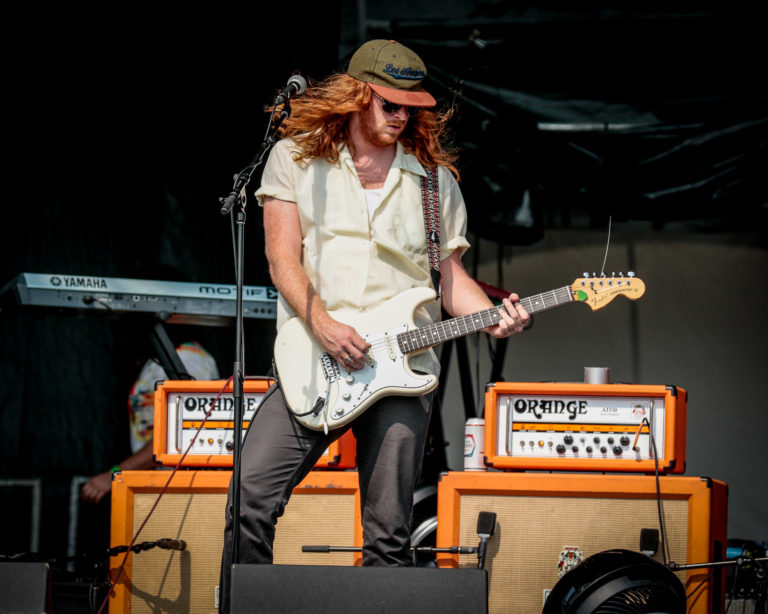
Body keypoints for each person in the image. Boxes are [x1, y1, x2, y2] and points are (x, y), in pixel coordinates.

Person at [218, 39, 529, 610]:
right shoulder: (295, 159)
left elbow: (450, 279)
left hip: (403, 371)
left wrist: (492, 319)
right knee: (249, 498)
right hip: (315, 358)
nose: (403, 115)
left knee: (388, 534)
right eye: (391, 104)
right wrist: (323, 324)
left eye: (412, 106)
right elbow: (282, 259)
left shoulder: (433, 181)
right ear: (358, 95)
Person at [81, 340, 219, 504]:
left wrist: (115, 474)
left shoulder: (187, 359)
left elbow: (180, 435)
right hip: (161, 487)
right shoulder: (163, 358)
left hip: (179, 491)